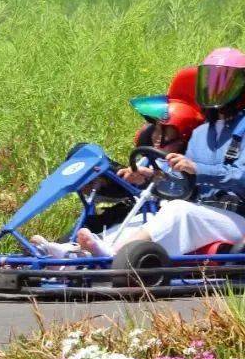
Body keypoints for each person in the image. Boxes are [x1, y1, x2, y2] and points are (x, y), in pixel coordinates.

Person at [75, 47, 245, 258]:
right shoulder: (201, 133)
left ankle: (114, 254)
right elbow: (185, 185)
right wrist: (150, 177)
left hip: (241, 217)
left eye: (223, 81)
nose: (214, 88)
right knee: (152, 213)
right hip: (204, 210)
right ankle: (77, 253)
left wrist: (199, 169)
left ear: (241, 85)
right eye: (210, 80)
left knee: (179, 211)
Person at [32, 94, 203, 260]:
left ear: (182, 136)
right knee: (99, 217)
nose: (156, 135)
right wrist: (118, 177)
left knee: (140, 221)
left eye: (165, 130)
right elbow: (135, 184)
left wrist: (152, 177)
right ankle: (61, 249)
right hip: (137, 205)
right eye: (156, 129)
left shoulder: (187, 163)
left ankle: (89, 254)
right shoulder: (148, 157)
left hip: (159, 214)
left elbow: (185, 191)